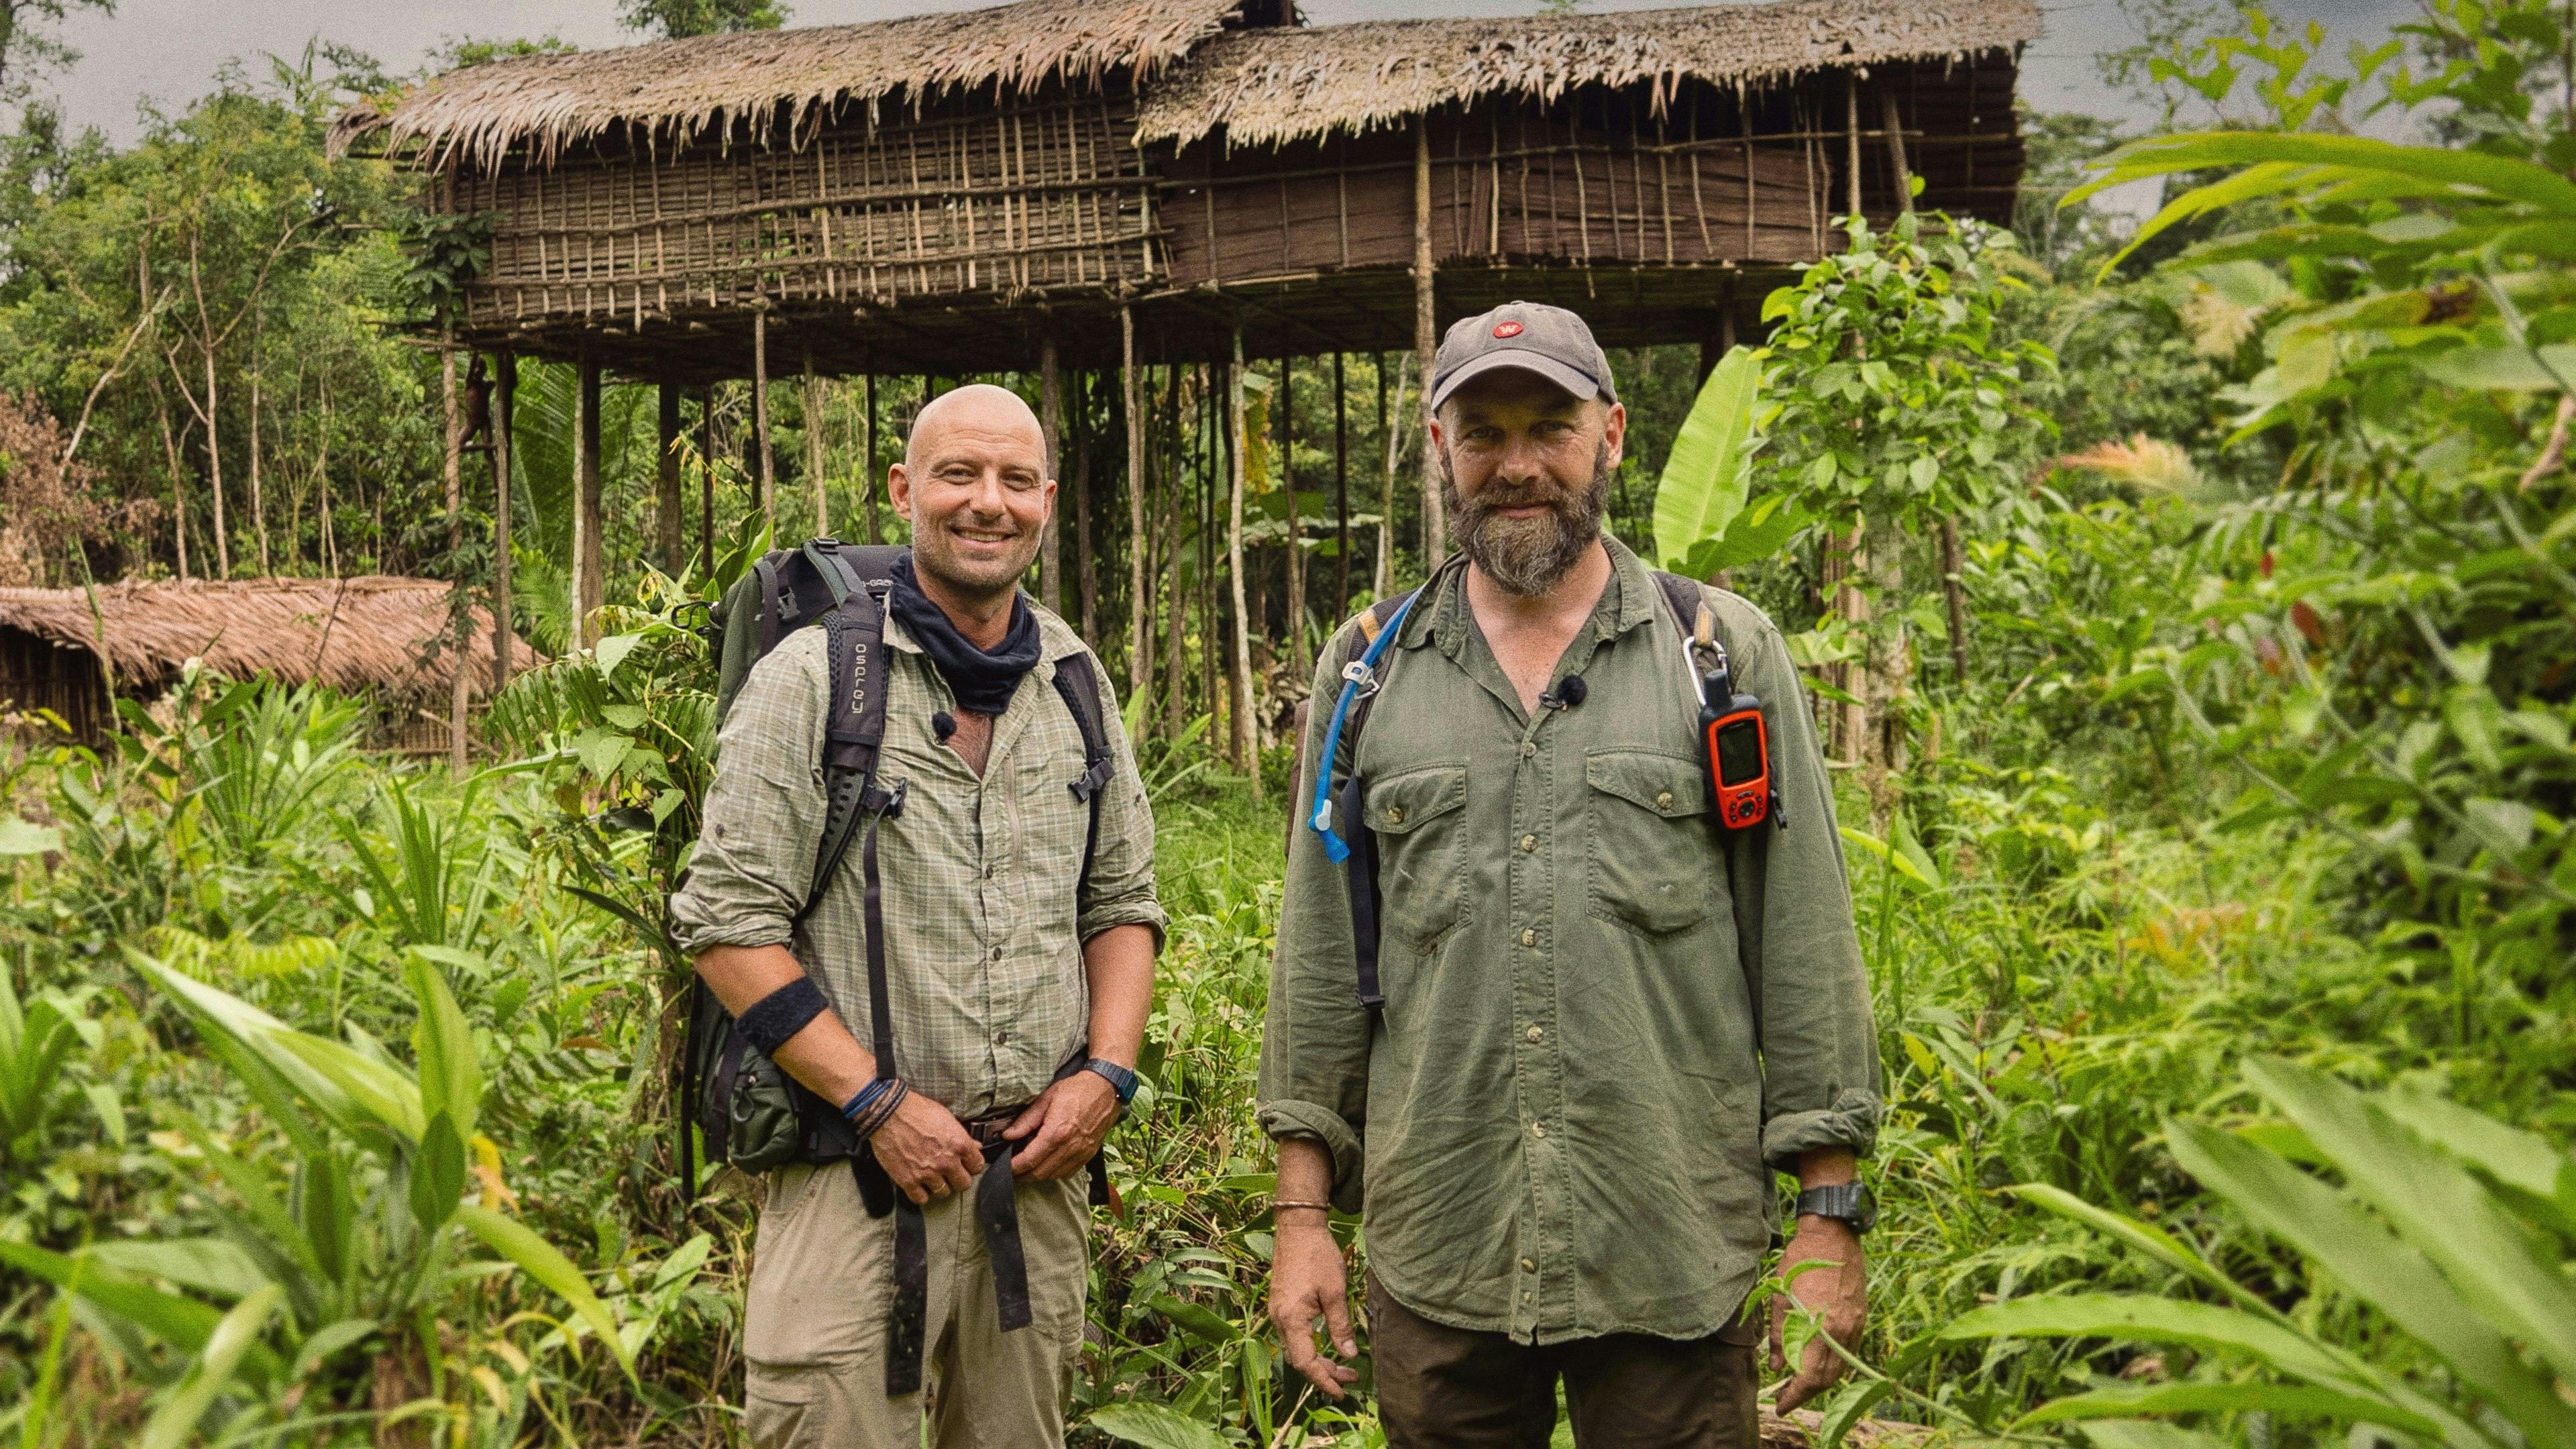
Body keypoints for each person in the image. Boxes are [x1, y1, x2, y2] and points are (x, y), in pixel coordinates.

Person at [1260, 304, 1882, 1448]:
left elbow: (1803, 942)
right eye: (1483, 433)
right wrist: (1304, 1214)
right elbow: (1316, 955)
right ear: (1439, 449)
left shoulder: (1722, 657)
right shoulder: (1367, 671)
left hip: (1671, 1247)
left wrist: (1827, 1222)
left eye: (1549, 426)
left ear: (1613, 434)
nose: (1518, 467)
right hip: (1443, 1240)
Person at [670, 384, 1164, 1449]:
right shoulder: (816, 678)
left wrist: (1106, 1079)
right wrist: (881, 1105)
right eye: (958, 475)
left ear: (1043, 501)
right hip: (854, 1182)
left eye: (1014, 481)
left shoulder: (1074, 681)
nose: (988, 503)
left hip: (1033, 1187)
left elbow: (1122, 903)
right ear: (905, 490)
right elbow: (723, 923)